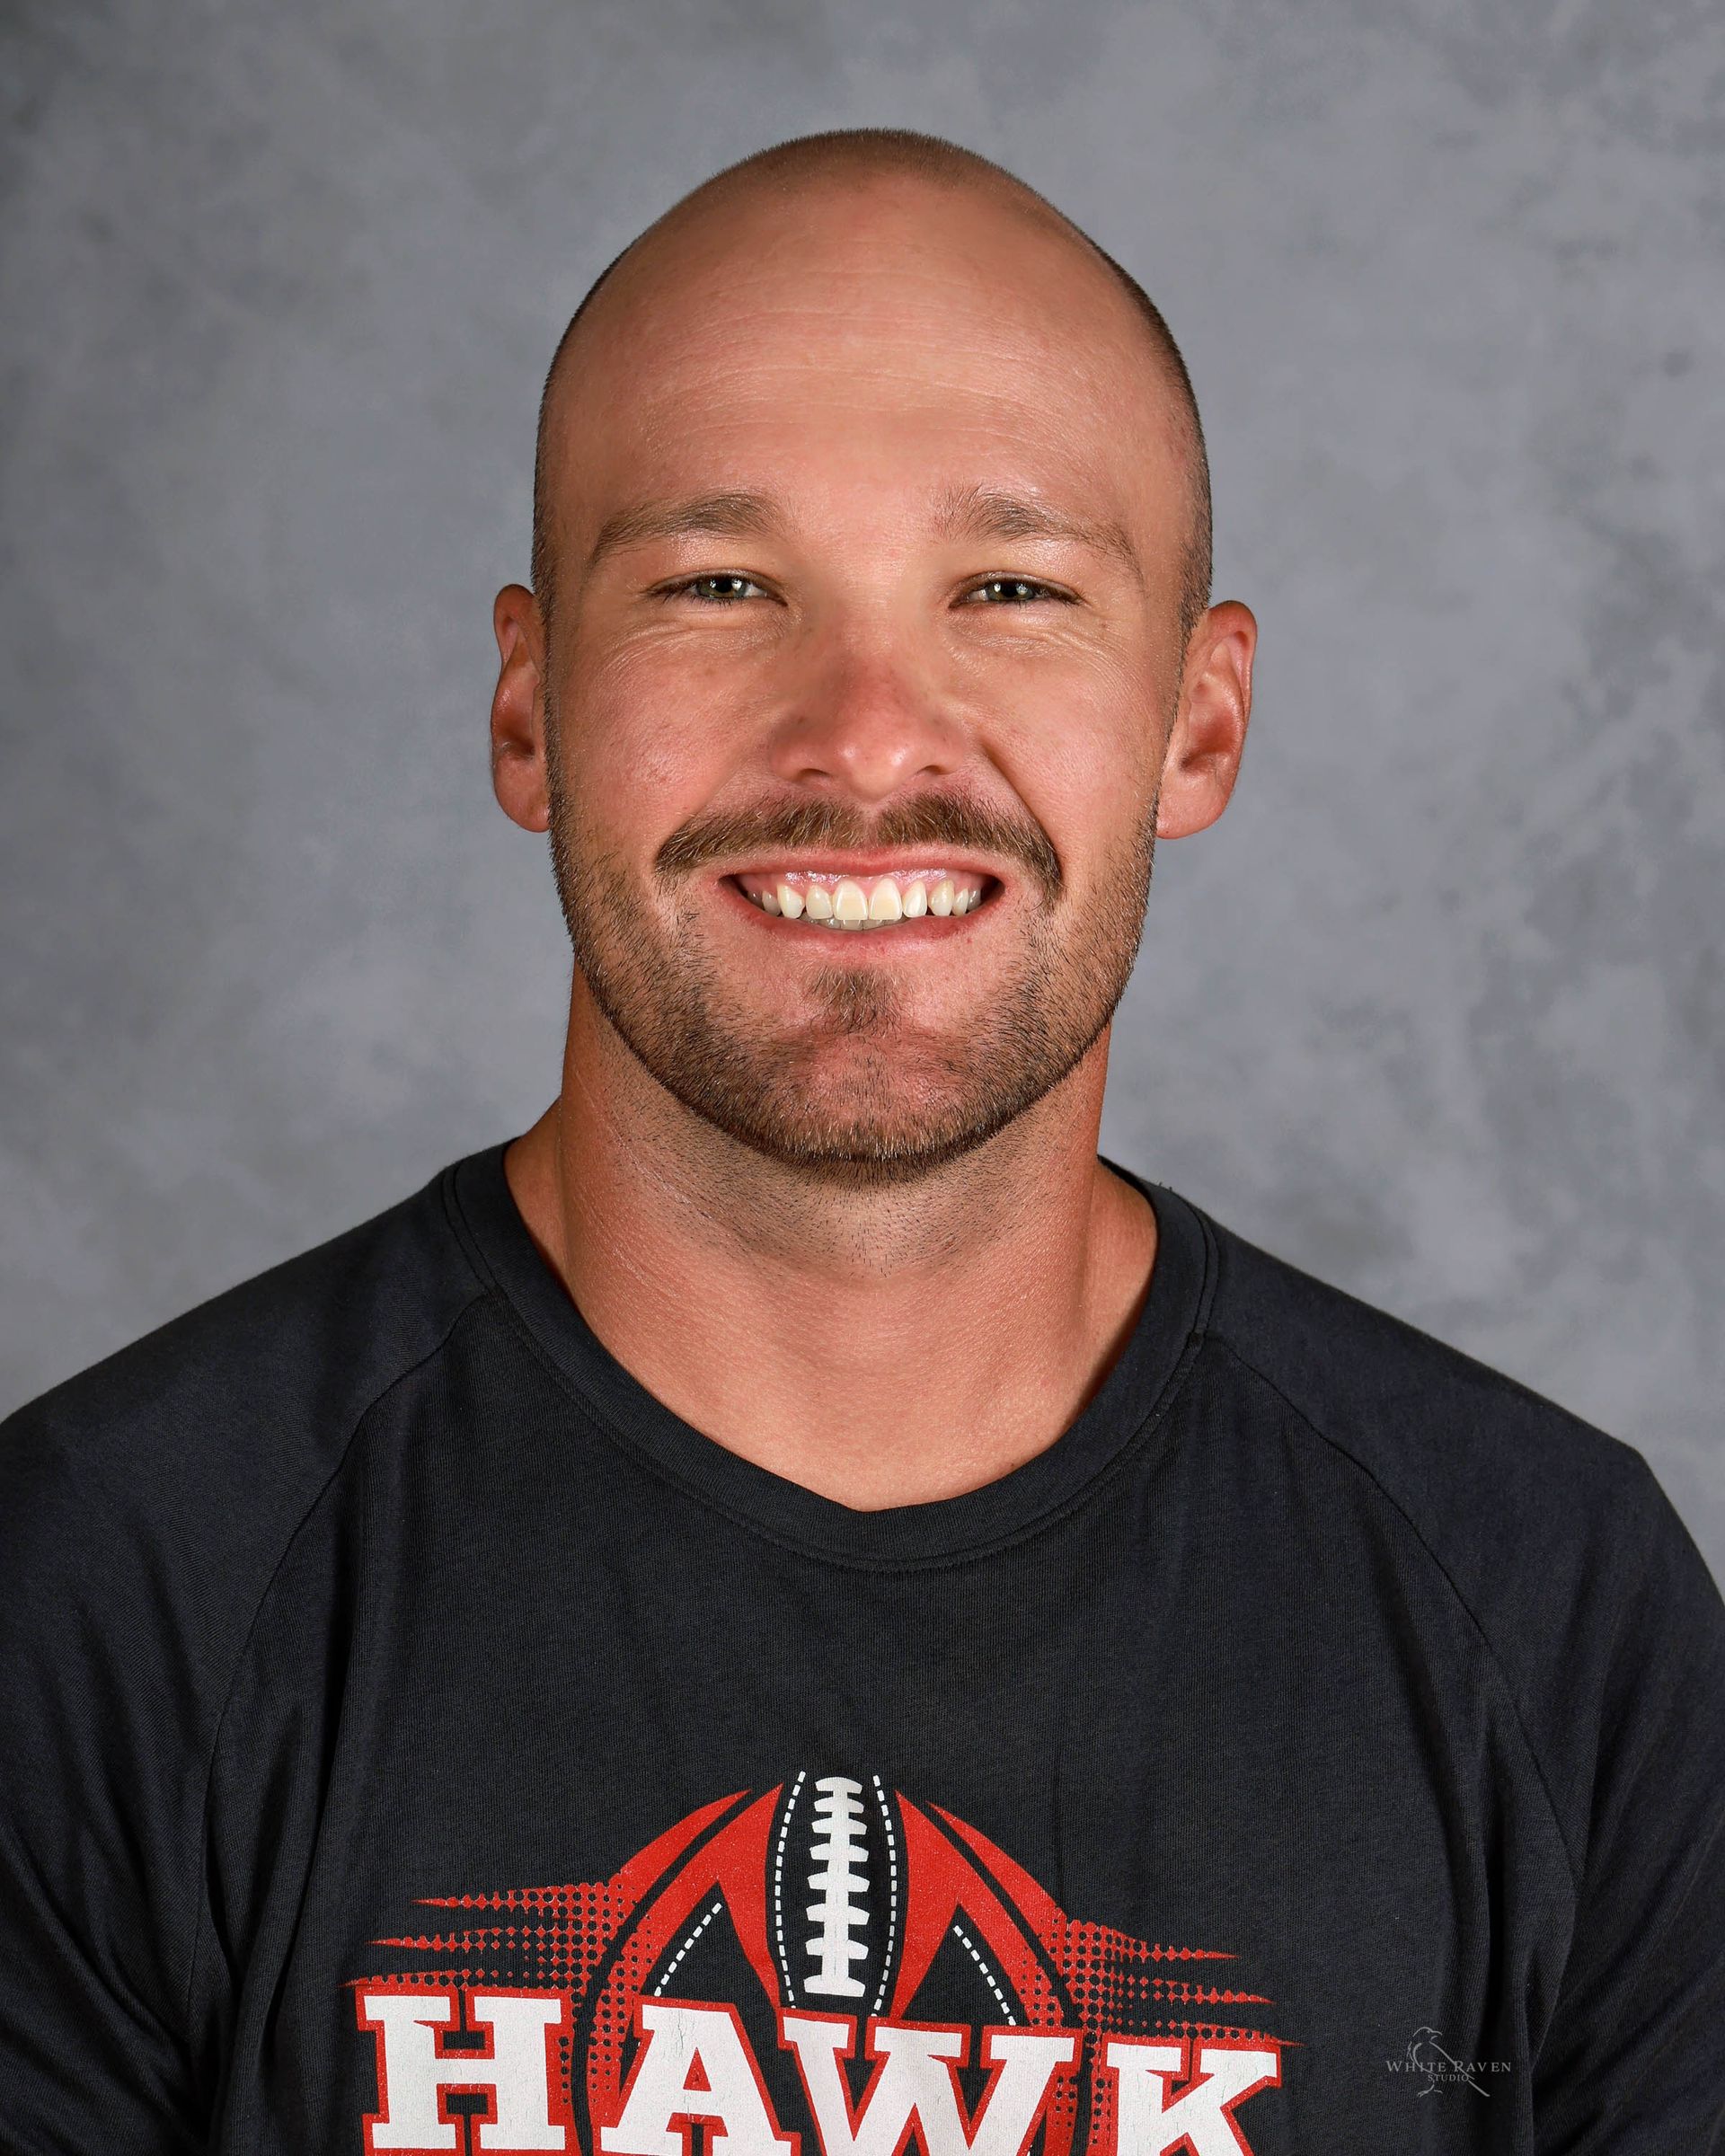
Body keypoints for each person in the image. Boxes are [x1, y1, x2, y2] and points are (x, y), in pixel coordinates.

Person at [1, 128, 1720, 2156]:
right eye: (721, 587)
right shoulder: (102, 1592)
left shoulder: (1553, 1615)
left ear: (1197, 722)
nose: (868, 735)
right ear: (531, 711)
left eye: (1011, 590)